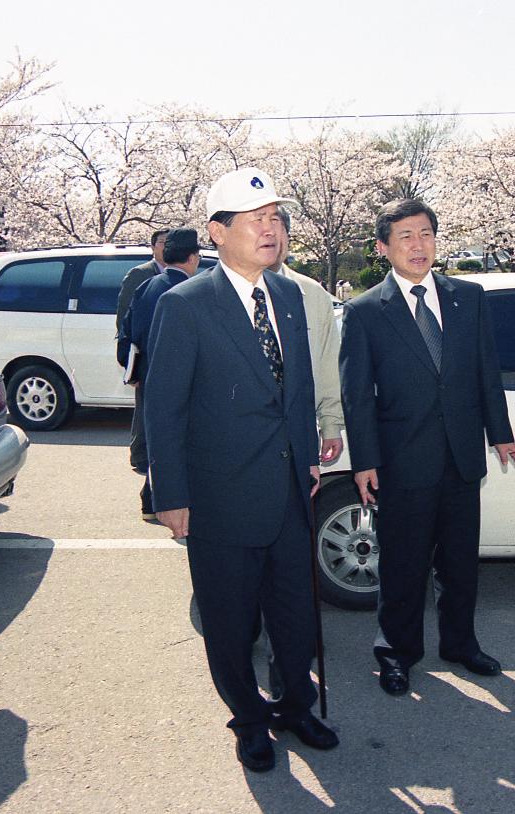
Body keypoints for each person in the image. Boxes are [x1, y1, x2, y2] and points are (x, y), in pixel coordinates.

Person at [143, 167, 336, 772]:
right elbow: (164, 407)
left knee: (295, 610)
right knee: (229, 620)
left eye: (276, 218)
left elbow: (298, 387)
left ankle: (295, 705)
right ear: (217, 233)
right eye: (256, 220)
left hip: (286, 490)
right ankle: (248, 719)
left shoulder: (287, 295)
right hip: (219, 496)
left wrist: (307, 456)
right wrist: (169, 494)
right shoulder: (185, 304)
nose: (271, 229)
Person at [339, 199, 515, 697]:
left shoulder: (467, 298)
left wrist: (501, 434)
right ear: (384, 246)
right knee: (403, 566)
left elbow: (485, 373)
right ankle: (397, 653)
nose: (418, 245)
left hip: (460, 457)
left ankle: (460, 645)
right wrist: (364, 460)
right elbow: (357, 395)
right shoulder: (365, 311)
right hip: (402, 461)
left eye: (426, 233)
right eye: (405, 236)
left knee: (459, 563)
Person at [116, 228, 201, 520]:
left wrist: (133, 370)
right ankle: (160, 500)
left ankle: (151, 501)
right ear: (193, 258)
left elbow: (126, 331)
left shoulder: (148, 286)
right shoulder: (192, 292)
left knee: (159, 438)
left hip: (149, 374)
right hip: (181, 378)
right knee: (181, 441)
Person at [271, 209, 345, 464]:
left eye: (277, 226)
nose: (269, 235)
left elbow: (328, 365)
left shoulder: (312, 294)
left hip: (298, 436)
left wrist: (331, 424)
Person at [116, 229, 169, 484]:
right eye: (162, 242)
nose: (166, 246)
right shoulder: (140, 274)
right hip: (143, 350)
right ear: (153, 247)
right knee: (144, 406)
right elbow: (125, 316)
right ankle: (139, 455)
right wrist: (128, 358)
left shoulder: (175, 274)